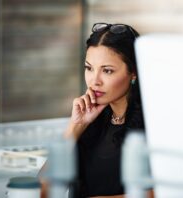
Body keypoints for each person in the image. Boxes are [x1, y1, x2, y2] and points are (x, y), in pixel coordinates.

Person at [64, 22, 154, 198]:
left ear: (133, 72)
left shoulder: (153, 125)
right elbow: (41, 190)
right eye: (89, 68)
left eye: (107, 71)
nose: (94, 81)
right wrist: (75, 127)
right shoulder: (90, 117)